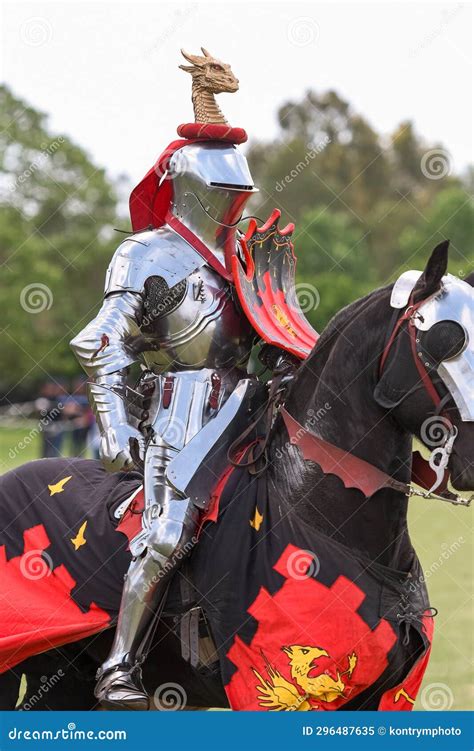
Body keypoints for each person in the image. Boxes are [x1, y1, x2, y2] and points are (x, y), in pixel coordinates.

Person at [71, 48, 308, 710]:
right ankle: (119, 664)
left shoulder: (240, 257)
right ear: (192, 189)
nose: (235, 202)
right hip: (179, 407)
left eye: (240, 193)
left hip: (252, 403)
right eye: (224, 192)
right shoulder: (145, 254)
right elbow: (100, 341)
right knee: (169, 533)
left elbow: (272, 330)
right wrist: (115, 421)